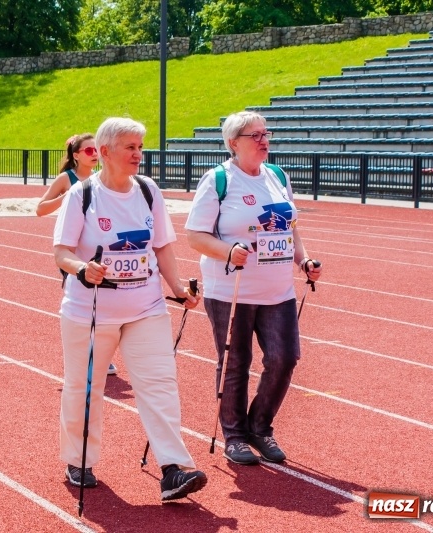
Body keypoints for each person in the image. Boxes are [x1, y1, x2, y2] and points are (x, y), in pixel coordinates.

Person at [53, 117, 208, 501]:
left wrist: (177, 286)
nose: (139, 154)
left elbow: (162, 247)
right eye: (130, 147)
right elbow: (61, 253)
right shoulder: (82, 196)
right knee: (85, 387)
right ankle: (80, 460)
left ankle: (173, 468)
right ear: (105, 152)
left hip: (146, 307)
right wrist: (82, 268)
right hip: (90, 312)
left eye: (141, 146)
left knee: (160, 385)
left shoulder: (148, 190)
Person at [185, 111, 322, 466]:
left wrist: (304, 260)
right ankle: (234, 435)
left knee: (284, 358)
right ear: (234, 143)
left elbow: (288, 227)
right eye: (255, 135)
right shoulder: (219, 180)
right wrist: (229, 251)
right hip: (231, 289)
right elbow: (195, 236)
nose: (264, 140)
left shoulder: (277, 176)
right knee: (235, 362)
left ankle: (260, 426)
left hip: (278, 289)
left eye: (266, 133)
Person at [37, 134, 118, 376]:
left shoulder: (102, 178)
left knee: (104, 302)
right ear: (76, 155)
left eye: (96, 150)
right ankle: (85, 355)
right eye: (88, 151)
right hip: (72, 249)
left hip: (98, 247)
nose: (94, 155)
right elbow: (40, 209)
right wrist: (68, 195)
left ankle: (100, 353)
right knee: (84, 302)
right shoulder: (67, 178)